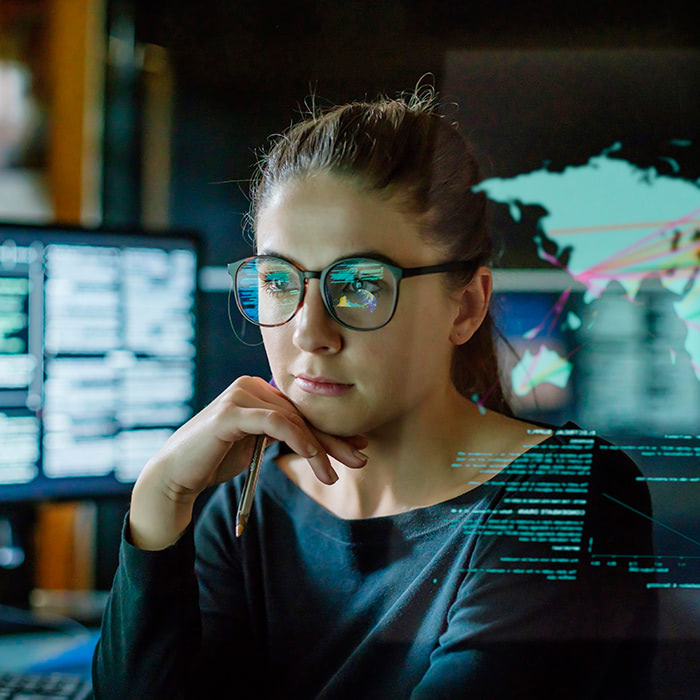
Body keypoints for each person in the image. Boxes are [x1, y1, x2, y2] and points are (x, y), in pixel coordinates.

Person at [92, 87, 658, 699]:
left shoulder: (569, 498)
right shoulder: (247, 508)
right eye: (278, 280)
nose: (309, 331)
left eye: (361, 285)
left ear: (464, 306)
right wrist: (160, 495)